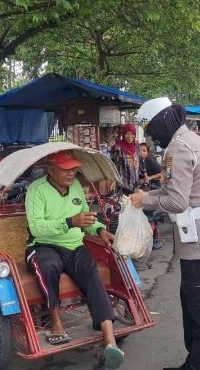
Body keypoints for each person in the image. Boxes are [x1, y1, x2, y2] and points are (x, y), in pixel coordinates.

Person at [130, 97, 200, 370]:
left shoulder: (177, 149)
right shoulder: (193, 140)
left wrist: (145, 201)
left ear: (163, 122)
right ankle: (195, 362)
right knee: (195, 306)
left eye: (151, 130)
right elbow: (169, 189)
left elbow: (177, 202)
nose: (152, 137)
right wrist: (148, 194)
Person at [24, 150, 124, 369]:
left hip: (74, 246)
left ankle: (109, 340)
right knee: (48, 266)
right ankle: (55, 321)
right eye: (65, 169)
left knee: (92, 272)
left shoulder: (77, 186)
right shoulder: (36, 190)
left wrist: (98, 230)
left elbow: (85, 219)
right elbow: (36, 227)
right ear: (51, 169)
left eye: (74, 168)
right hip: (43, 245)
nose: (72, 173)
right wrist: (69, 221)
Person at [110, 123, 140, 192]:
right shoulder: (118, 148)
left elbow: (140, 160)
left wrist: (145, 174)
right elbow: (113, 165)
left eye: (132, 134)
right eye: (127, 134)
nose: (130, 136)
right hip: (123, 184)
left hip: (136, 183)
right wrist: (113, 180)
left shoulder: (136, 144)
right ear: (123, 134)